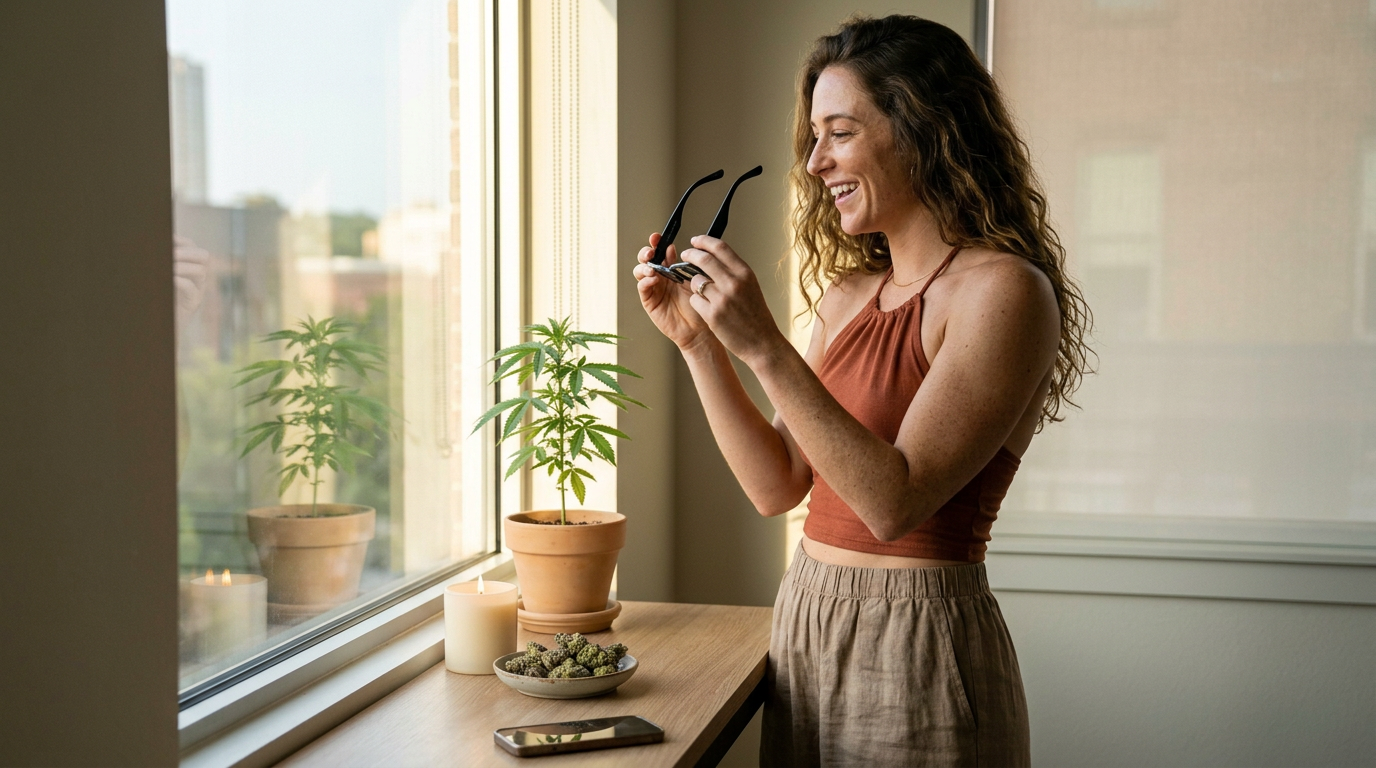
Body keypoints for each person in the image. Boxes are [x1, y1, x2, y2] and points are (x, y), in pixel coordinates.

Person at [633, 14, 1092, 767]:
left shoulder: (1003, 293)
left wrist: (764, 346)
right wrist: (698, 343)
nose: (814, 163)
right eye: (813, 137)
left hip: (920, 638)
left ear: (924, 131)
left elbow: (892, 503)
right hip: (806, 617)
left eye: (839, 133)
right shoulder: (848, 296)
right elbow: (776, 485)